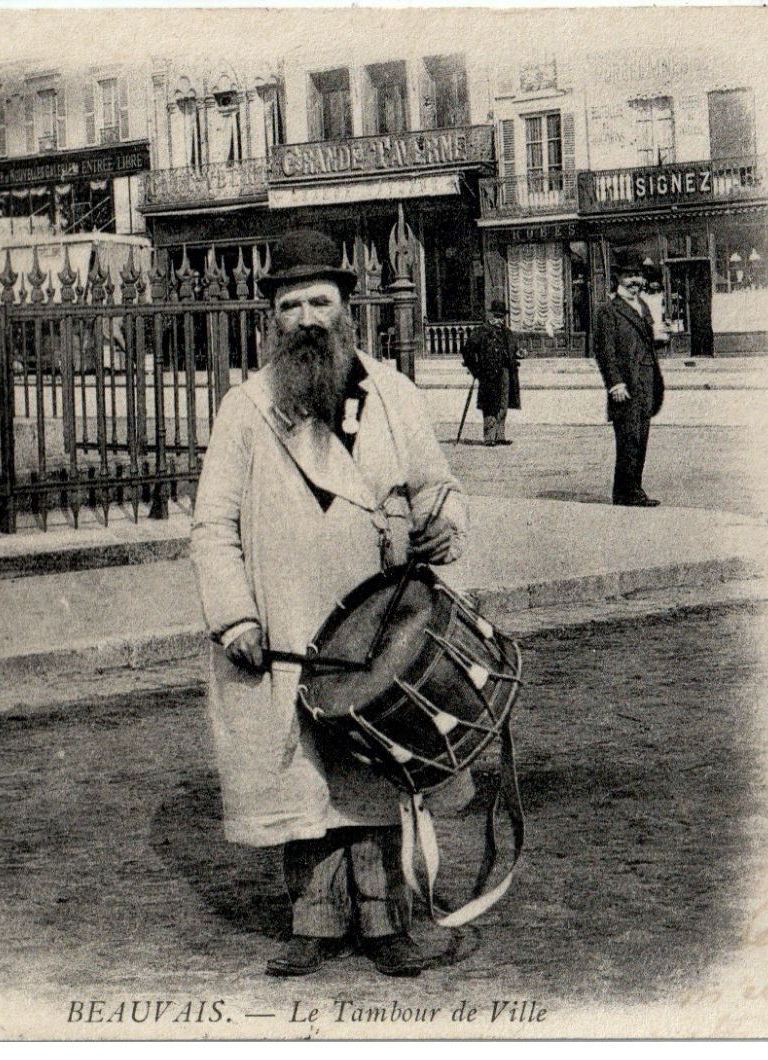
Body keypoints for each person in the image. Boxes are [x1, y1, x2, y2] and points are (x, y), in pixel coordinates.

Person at [189, 228, 470, 980]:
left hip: (376, 620)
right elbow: (212, 525)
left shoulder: (393, 394)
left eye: (320, 300)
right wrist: (235, 617)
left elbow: (436, 486)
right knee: (302, 774)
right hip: (284, 617)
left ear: (348, 308)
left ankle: (385, 922)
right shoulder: (245, 410)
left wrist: (443, 525)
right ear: (272, 320)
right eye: (290, 305)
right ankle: (313, 921)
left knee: (375, 764)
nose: (307, 317)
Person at [592, 254, 665, 507]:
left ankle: (630, 490)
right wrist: (615, 384)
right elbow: (605, 352)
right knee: (628, 439)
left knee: (640, 437)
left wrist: (661, 338)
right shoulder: (608, 311)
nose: (635, 280)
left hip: (646, 382)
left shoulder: (642, 306)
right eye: (629, 276)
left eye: (638, 275)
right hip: (626, 385)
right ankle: (627, 492)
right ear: (618, 279)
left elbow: (648, 341)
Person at [461, 299, 521, 446]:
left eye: (501, 317)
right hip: (488, 374)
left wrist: (518, 353)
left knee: (503, 403)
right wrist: (476, 369)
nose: (499, 320)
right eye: (496, 316)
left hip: (506, 372)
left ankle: (500, 435)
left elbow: (513, 350)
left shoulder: (507, 333)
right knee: (489, 404)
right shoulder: (481, 332)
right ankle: (489, 437)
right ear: (490, 316)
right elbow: (467, 351)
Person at [641, 278, 670, 352]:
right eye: (653, 283)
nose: (655, 285)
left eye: (657, 283)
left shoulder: (662, 295)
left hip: (658, 317)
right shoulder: (645, 295)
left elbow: (664, 307)